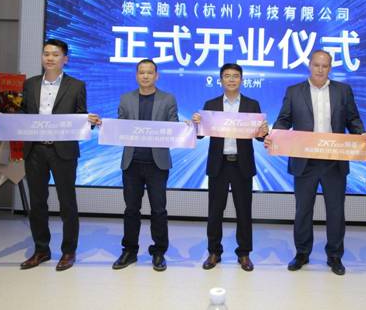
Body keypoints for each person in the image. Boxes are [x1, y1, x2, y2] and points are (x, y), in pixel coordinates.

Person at [265, 50, 366, 276]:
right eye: (316, 65)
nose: (320, 69)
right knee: (303, 210)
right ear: (309, 65)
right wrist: (275, 136)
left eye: (325, 66)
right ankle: (302, 253)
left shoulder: (343, 91)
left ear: (330, 67)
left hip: (334, 161)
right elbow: (284, 120)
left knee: (336, 211)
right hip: (305, 161)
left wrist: (361, 135)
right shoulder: (294, 91)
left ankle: (335, 255)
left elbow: (352, 119)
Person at [17, 39, 100, 271]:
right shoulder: (30, 84)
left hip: (63, 151)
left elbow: (80, 116)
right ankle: (41, 250)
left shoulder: (76, 85)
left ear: (65, 59)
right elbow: (23, 114)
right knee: (37, 202)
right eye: (46, 54)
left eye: (55, 54)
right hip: (35, 150)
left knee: (67, 202)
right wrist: (3, 119)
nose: (50, 58)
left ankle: (68, 251)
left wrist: (89, 121)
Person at [192, 63, 268, 272]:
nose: (231, 79)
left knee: (244, 211)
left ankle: (244, 253)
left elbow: (260, 138)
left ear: (242, 80)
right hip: (219, 164)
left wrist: (264, 131)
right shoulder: (211, 104)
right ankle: (214, 252)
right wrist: (197, 123)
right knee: (215, 211)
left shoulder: (252, 105)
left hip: (242, 165)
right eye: (227, 76)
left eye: (235, 76)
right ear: (221, 80)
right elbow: (200, 135)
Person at [111, 59, 178, 272]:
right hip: (131, 163)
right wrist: (107, 126)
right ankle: (129, 251)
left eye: (150, 72)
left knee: (159, 210)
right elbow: (120, 126)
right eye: (141, 72)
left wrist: (184, 128)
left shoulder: (168, 98)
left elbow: (173, 128)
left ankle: (159, 252)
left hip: (157, 164)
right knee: (131, 209)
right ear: (136, 75)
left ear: (157, 76)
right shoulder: (126, 98)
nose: (146, 76)